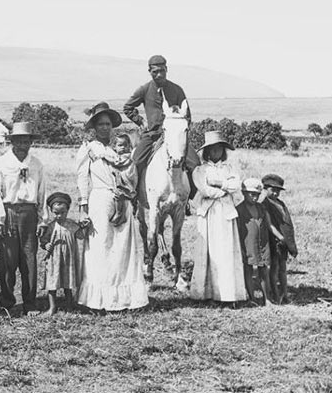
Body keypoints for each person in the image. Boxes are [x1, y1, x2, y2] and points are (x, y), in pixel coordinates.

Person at [75, 102, 149, 311]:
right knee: (101, 247)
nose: (104, 128)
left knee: (122, 248)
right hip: (100, 200)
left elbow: (132, 176)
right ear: (94, 127)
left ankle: (125, 299)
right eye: (100, 124)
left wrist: (127, 193)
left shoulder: (120, 149)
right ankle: (98, 300)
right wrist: (83, 205)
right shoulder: (90, 149)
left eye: (108, 124)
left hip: (122, 200)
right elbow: (82, 178)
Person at [123, 55, 200, 207]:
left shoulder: (177, 90)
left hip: (174, 137)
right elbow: (127, 107)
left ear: (167, 70)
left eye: (162, 71)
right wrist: (141, 121)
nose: (159, 75)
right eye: (155, 72)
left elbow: (187, 115)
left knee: (195, 162)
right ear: (149, 71)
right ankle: (134, 196)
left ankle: (189, 198)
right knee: (137, 160)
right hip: (152, 135)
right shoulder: (144, 90)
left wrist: (178, 128)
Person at [0, 121, 48, 316]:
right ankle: (7, 303)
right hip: (9, 212)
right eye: (19, 140)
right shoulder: (1, 163)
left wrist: (42, 220)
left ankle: (30, 303)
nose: (23, 144)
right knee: (8, 260)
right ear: (12, 141)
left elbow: (41, 193)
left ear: (31, 142)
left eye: (26, 140)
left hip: (29, 214)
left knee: (29, 259)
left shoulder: (36, 164)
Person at [190, 131, 246, 303]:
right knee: (208, 250)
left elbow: (236, 185)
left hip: (226, 213)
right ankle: (206, 293)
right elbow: (204, 189)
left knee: (225, 249)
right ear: (207, 151)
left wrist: (220, 183)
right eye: (212, 149)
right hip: (208, 213)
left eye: (219, 149)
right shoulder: (200, 170)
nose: (216, 152)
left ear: (223, 151)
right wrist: (223, 190)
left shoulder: (229, 168)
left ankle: (228, 294)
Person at [236, 178, 284, 306]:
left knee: (264, 270)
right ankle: (252, 298)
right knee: (248, 269)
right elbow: (236, 230)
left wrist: (281, 238)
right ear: (243, 193)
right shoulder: (239, 210)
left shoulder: (261, 208)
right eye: (251, 194)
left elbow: (270, 226)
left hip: (263, 243)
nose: (254, 197)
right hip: (247, 244)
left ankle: (266, 299)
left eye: (257, 194)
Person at [39, 192, 80, 315]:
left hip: (68, 259)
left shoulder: (72, 225)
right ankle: (52, 307)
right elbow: (43, 241)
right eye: (56, 213)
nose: (59, 215)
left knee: (68, 283)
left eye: (63, 212)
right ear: (51, 211)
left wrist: (84, 226)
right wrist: (46, 245)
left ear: (68, 210)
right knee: (52, 283)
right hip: (54, 260)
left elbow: (81, 235)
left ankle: (69, 306)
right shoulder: (51, 227)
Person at [260, 174, 298, 304]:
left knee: (283, 268)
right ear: (265, 189)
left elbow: (287, 223)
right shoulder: (265, 204)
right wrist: (280, 237)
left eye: (278, 190)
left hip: (283, 241)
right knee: (274, 267)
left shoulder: (280, 203)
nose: (275, 193)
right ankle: (275, 294)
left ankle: (285, 294)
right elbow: (270, 224)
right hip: (274, 240)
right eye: (272, 190)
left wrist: (287, 240)